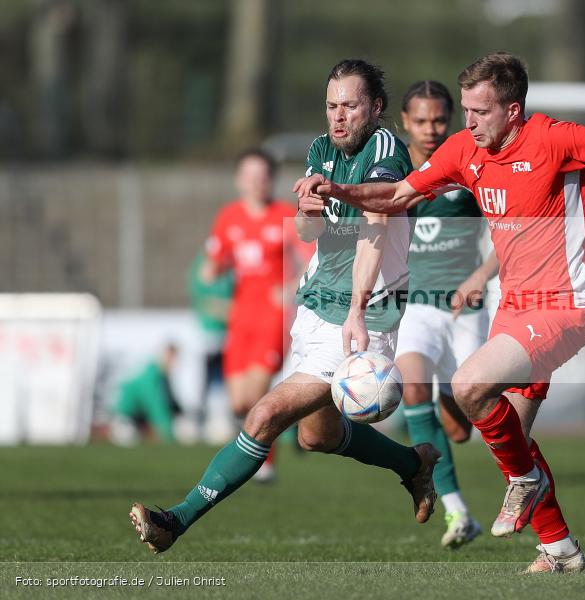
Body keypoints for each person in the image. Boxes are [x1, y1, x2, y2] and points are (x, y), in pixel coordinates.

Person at [296, 52, 585, 573]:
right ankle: (560, 548)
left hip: (567, 304)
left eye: (479, 112)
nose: (466, 123)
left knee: (469, 388)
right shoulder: (465, 149)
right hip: (514, 306)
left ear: (512, 111)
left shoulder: (555, 138)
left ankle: (527, 484)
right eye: (464, 110)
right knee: (513, 440)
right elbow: (398, 192)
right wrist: (338, 190)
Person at [129, 59, 440, 555]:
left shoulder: (385, 149)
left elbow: (377, 220)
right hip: (317, 308)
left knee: (265, 413)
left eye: (351, 106)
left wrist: (358, 311)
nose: (338, 117)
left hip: (364, 316)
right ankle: (413, 464)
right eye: (331, 106)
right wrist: (308, 213)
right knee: (317, 436)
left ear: (376, 108)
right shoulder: (321, 149)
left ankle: (176, 520)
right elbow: (308, 232)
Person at [396, 80, 499, 548]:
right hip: (415, 304)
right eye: (421, 121)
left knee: (461, 428)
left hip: (464, 307)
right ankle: (456, 513)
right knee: (413, 384)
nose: (431, 128)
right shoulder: (391, 171)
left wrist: (480, 275)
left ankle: (449, 401)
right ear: (405, 123)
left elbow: (511, 233)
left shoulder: (471, 165)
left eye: (439, 119)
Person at [201, 148, 315, 482]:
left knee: (254, 395)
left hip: (273, 316)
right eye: (249, 176)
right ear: (239, 180)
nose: (256, 183)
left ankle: (266, 463)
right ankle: (288, 421)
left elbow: (310, 258)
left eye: (262, 176)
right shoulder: (228, 217)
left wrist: (291, 285)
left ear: (271, 180)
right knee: (238, 404)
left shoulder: (284, 214)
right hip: (240, 317)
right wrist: (212, 269)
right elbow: (215, 259)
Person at [187, 250, 234, 433]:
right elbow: (207, 302)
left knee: (223, 377)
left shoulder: (232, 264)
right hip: (206, 332)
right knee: (200, 375)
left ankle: (219, 416)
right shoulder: (203, 262)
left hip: (227, 333)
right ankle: (195, 416)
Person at [111, 343, 181, 444]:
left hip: (138, 419)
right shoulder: (150, 375)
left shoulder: (160, 376)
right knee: (128, 438)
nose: (172, 362)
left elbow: (169, 402)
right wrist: (168, 434)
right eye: (170, 357)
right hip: (126, 419)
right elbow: (154, 405)